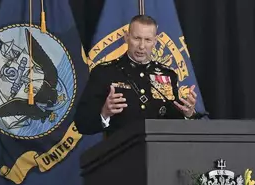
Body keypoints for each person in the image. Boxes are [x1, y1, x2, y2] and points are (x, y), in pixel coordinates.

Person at [75, 15, 203, 136]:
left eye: (147, 40)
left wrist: (188, 114)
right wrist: (104, 113)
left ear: (155, 41)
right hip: (120, 154)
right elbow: (82, 123)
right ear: (126, 37)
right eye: (137, 38)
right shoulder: (105, 72)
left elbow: (173, 123)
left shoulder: (168, 75)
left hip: (159, 154)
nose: (141, 46)